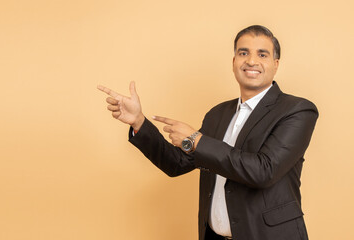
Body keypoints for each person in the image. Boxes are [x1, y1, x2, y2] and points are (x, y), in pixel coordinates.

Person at [97, 25, 318, 240]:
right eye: (243, 53)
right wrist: (139, 122)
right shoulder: (218, 114)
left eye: (262, 54)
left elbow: (264, 171)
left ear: (275, 64)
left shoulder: (297, 110)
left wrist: (196, 139)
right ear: (234, 62)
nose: (252, 61)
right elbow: (177, 163)